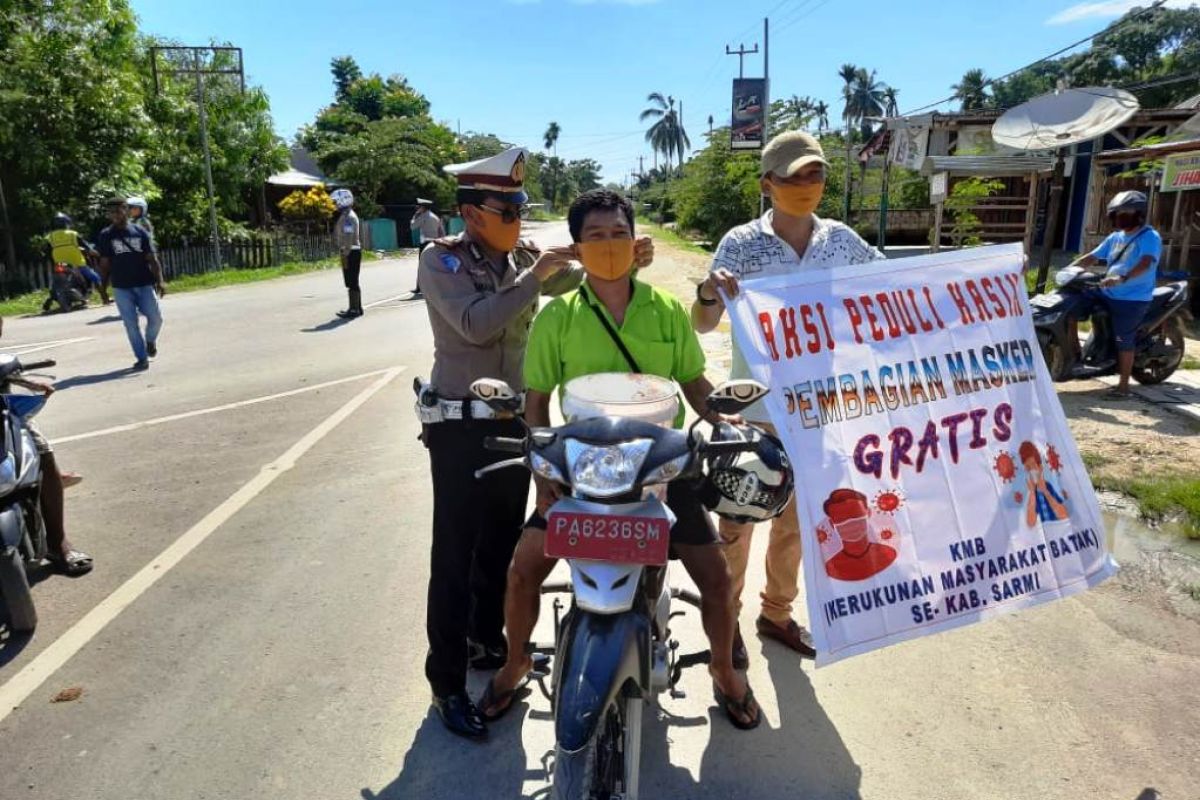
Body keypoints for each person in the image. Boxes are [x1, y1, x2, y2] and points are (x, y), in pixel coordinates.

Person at [478, 188, 760, 731]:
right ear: (578, 249)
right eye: (596, 236)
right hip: (580, 472)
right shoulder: (556, 317)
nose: (609, 244)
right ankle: (516, 663)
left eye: (618, 234)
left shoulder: (666, 312)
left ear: (636, 243)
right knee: (522, 572)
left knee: (717, 580)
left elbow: (693, 383)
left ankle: (725, 670)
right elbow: (536, 402)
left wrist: (722, 417)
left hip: (661, 469)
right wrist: (543, 473)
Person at [418, 149, 653, 739]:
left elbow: (592, 280)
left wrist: (627, 260)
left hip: (513, 423)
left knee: (497, 543)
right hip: (460, 425)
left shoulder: (524, 258)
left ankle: (485, 642)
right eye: (508, 207)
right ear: (473, 214)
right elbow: (476, 324)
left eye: (521, 206)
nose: (519, 218)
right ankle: (446, 682)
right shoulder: (441, 260)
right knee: (454, 552)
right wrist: (535, 277)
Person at [691, 130, 885, 666]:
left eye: (815, 175)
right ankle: (724, 625)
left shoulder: (841, 241)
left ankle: (776, 612)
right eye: (793, 177)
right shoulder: (739, 244)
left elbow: (892, 285)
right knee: (736, 522)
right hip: (753, 411)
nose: (805, 186)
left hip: (816, 409)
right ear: (767, 184)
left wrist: (977, 279)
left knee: (796, 522)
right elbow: (704, 325)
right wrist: (709, 293)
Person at [1069, 190, 1161, 399]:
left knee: (1124, 339)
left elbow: (1146, 263)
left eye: (1125, 213)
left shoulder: (1149, 237)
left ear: (1138, 214)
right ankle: (1077, 356)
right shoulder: (1115, 237)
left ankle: (1123, 387)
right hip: (1106, 291)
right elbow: (1092, 256)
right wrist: (1070, 269)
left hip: (1131, 298)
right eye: (1117, 213)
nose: (1120, 217)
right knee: (1072, 306)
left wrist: (1122, 278)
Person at [97, 197, 164, 371]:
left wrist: (160, 281)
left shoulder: (140, 232)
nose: (115, 215)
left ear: (126, 210)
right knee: (131, 325)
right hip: (121, 287)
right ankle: (142, 358)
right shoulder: (106, 235)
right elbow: (104, 264)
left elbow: (152, 258)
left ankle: (150, 341)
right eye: (111, 212)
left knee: (156, 319)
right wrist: (103, 290)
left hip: (144, 283)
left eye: (118, 211)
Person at [46, 212, 110, 305]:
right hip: (77, 263)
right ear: (66, 223)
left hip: (60, 265)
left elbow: (48, 252)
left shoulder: (50, 237)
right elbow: (86, 246)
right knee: (96, 278)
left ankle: (53, 296)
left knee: (56, 281)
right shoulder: (73, 234)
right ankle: (105, 298)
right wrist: (96, 254)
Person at [329, 189, 363, 319]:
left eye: (336, 202)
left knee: (352, 280)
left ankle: (354, 309)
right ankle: (355, 308)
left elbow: (348, 235)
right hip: (350, 250)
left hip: (351, 251)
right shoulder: (346, 214)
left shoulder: (348, 216)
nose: (335, 204)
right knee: (351, 281)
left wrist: (345, 253)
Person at [1019, 442, 1068, 526]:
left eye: (1033, 465)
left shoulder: (1049, 487)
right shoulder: (1030, 494)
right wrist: (1032, 493)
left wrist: (1045, 491)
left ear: (1040, 467)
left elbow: (1064, 515)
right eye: (1028, 467)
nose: (1031, 470)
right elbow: (1031, 523)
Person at [408, 199, 446, 298]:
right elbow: (441, 231)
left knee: (422, 265)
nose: (418, 208)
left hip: (425, 243)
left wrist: (414, 217)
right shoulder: (435, 217)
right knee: (434, 265)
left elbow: (412, 226)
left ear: (423, 208)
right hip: (435, 243)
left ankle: (419, 287)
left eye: (419, 207)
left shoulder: (423, 217)